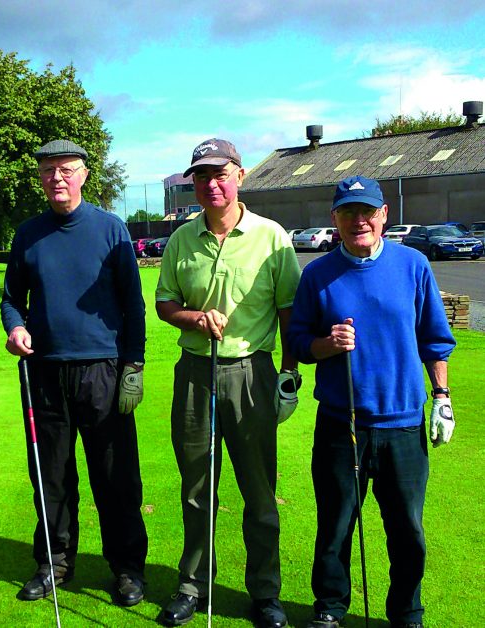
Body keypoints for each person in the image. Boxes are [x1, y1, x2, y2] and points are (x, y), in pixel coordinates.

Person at [287, 175, 456, 628]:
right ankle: (329, 607)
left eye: (367, 211)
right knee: (337, 526)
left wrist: (442, 397)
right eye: (348, 212)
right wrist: (327, 344)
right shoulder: (317, 274)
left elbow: (435, 341)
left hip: (403, 423)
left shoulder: (413, 264)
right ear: (334, 219)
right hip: (343, 425)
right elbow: (299, 342)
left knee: (408, 531)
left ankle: (406, 611)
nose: (358, 220)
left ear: (384, 215)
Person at [155, 138, 302, 627]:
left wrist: (289, 374)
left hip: (251, 374)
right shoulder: (181, 238)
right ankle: (193, 586)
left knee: (259, 491)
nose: (210, 184)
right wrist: (194, 318)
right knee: (197, 490)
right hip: (195, 374)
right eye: (201, 176)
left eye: (220, 174)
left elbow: (288, 312)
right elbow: (165, 304)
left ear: (240, 175)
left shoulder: (272, 236)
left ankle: (265, 593)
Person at [0, 139, 148, 607]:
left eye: (66, 169)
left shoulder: (111, 228)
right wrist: (15, 326)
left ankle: (126, 569)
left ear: (84, 174)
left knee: (115, 477)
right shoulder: (27, 234)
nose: (57, 178)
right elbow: (10, 299)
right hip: (44, 372)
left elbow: (134, 305)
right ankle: (53, 564)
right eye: (47, 170)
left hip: (103, 371)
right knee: (51, 477)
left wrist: (134, 365)